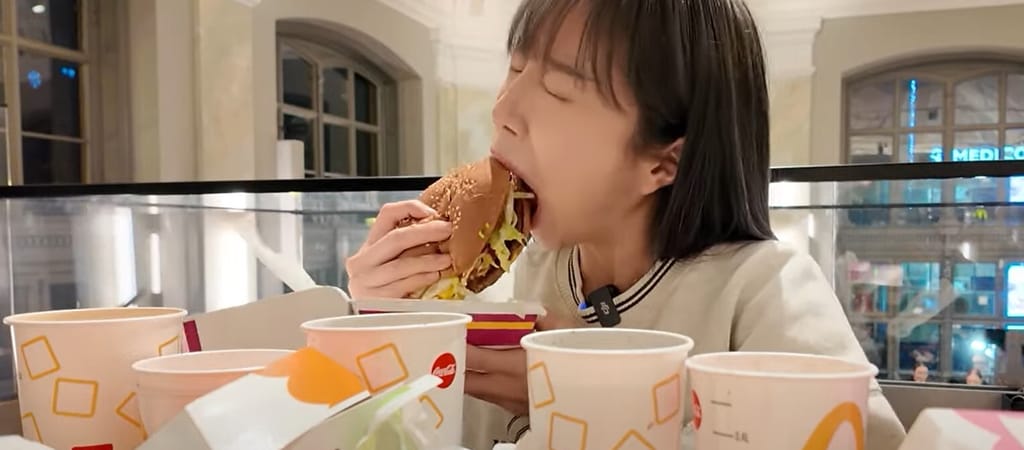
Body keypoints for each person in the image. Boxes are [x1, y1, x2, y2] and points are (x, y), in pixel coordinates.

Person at [344, 0, 907, 449]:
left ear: (664, 161)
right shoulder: (502, 289)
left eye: (557, 90)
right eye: (514, 70)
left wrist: (585, 404)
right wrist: (379, 331)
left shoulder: (764, 292)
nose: (503, 111)